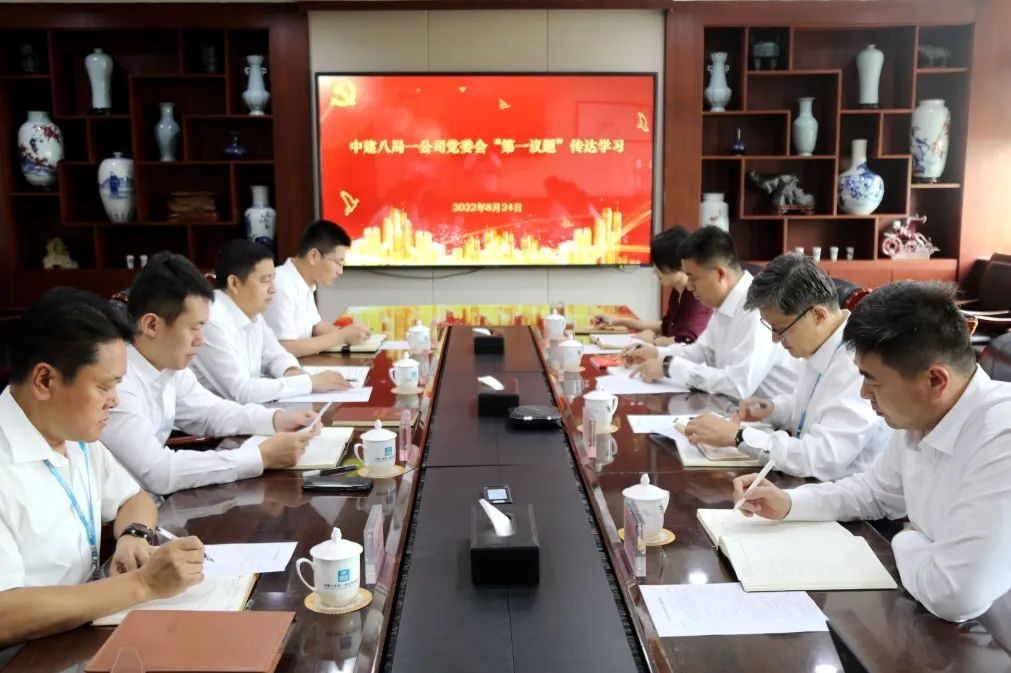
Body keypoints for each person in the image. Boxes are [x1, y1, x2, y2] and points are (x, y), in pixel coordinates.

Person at [733, 281, 1011, 623]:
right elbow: (874, 492)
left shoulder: (1002, 436)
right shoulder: (920, 414)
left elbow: (955, 595)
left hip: (989, 635)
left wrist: (905, 538)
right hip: (927, 609)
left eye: (873, 381)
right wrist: (790, 502)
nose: (864, 393)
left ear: (935, 381)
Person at [0, 288, 204, 648]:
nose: (115, 400)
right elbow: (5, 615)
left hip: (86, 629)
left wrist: (134, 536)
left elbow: (133, 498)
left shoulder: (72, 434)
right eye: (104, 386)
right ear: (45, 380)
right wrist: (142, 584)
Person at [101, 252, 320, 496]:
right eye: (193, 328)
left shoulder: (169, 366)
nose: (201, 340)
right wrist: (261, 456)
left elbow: (211, 412)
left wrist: (276, 419)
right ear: (152, 325)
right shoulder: (115, 382)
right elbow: (159, 472)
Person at [684, 253, 889, 480]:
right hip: (810, 484)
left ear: (818, 315)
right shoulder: (822, 345)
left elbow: (822, 458)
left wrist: (739, 436)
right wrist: (772, 409)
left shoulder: (856, 363)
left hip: (840, 492)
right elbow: (809, 407)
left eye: (780, 329)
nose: (775, 339)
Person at [624, 227, 798, 400]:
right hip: (736, 407)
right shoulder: (725, 304)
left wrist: (670, 367)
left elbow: (738, 386)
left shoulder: (756, 309)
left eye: (693, 278)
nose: (689, 287)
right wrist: (656, 353)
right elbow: (703, 353)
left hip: (770, 414)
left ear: (720, 273)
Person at [191, 240, 351, 403]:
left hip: (245, 412)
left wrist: (293, 372)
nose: (273, 289)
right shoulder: (212, 320)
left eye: (274, 279)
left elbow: (276, 355)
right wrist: (309, 382)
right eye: (265, 280)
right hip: (210, 417)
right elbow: (240, 392)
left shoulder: (252, 311)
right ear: (234, 283)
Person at [263, 219, 371, 357]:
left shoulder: (305, 283)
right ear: (313, 256)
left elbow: (315, 326)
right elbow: (285, 348)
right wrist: (341, 336)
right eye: (338, 263)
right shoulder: (281, 285)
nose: (340, 271)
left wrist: (350, 333)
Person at [592, 226, 712, 345]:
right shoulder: (678, 291)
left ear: (676, 263)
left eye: (658, 265)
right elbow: (664, 327)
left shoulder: (696, 296)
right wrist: (618, 321)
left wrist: (654, 340)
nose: (655, 271)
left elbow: (686, 341)